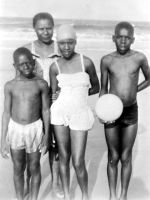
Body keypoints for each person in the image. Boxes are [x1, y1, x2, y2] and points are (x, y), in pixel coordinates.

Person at [100, 21, 150, 200]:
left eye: (126, 37)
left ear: (133, 39)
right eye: (119, 37)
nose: (122, 41)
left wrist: (134, 89)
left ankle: (123, 196)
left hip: (130, 112)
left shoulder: (139, 58)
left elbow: (149, 78)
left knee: (126, 156)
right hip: (111, 111)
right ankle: (112, 195)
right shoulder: (107, 60)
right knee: (113, 156)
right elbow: (103, 88)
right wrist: (102, 110)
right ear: (113, 38)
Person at [50, 24, 100, 200]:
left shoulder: (85, 62)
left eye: (70, 42)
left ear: (75, 42)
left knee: (78, 161)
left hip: (80, 114)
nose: (66, 47)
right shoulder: (54, 66)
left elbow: (96, 87)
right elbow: (53, 94)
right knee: (63, 157)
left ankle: (85, 195)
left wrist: (79, 95)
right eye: (62, 43)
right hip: (59, 115)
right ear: (57, 43)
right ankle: (67, 196)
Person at [0, 47, 50, 200]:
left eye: (29, 63)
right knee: (18, 168)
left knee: (34, 166)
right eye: (21, 64)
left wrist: (46, 135)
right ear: (15, 66)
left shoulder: (41, 84)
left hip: (34, 128)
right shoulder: (10, 85)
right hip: (15, 130)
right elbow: (6, 113)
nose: (26, 67)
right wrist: (3, 139)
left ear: (34, 62)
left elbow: (46, 111)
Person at [23, 12, 63, 198]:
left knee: (55, 145)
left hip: (56, 104)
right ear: (34, 29)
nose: (46, 32)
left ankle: (55, 183)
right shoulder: (26, 50)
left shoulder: (62, 49)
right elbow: (19, 80)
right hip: (34, 104)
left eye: (49, 28)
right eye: (41, 28)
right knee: (32, 145)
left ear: (53, 27)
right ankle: (28, 181)